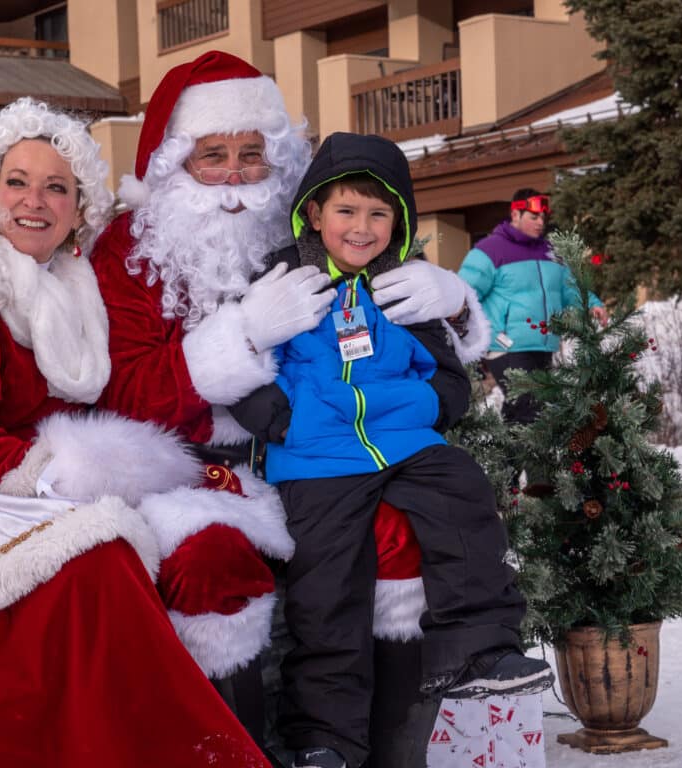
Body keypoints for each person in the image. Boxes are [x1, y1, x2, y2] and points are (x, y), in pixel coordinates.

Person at [90, 51, 492, 757]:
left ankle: (390, 749)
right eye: (212, 157)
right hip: (186, 468)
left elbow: (403, 353)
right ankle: (236, 750)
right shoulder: (128, 252)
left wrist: (457, 305)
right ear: (170, 164)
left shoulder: (312, 236)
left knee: (401, 534)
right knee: (214, 563)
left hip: (313, 453)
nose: (238, 176)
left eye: (253, 154)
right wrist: (237, 337)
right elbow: (118, 391)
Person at [0, 97, 271, 767]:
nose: (34, 201)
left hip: (28, 485)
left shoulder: (75, 289)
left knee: (135, 557)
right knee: (97, 569)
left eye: (57, 187)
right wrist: (57, 473)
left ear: (79, 211)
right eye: (17, 182)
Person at [227, 133, 553, 768]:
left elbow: (451, 374)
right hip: (317, 457)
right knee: (328, 592)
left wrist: (432, 402)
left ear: (398, 223)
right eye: (346, 211)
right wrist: (280, 421)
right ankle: (324, 738)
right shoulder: (282, 283)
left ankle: (481, 645)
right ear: (313, 214)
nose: (362, 227)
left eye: (379, 214)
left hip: (403, 443)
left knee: (463, 495)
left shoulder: (402, 289)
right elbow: (242, 363)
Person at [459, 188, 608, 430]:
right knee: (531, 410)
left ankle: (505, 467)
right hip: (505, 345)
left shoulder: (549, 252)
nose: (541, 223)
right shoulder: (490, 250)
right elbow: (464, 293)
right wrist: (471, 337)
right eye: (533, 217)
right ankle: (538, 469)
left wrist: (592, 304)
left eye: (543, 218)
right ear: (515, 215)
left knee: (523, 411)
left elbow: (569, 288)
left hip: (543, 344)